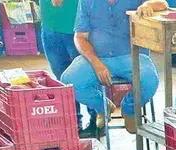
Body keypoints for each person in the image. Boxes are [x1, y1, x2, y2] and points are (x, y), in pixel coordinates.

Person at [61, 0, 166, 134]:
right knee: (69, 81)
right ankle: (103, 106)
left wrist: (147, 5)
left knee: (150, 80)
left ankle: (130, 109)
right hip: (98, 56)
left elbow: (163, 4)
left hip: (132, 55)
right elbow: (80, 37)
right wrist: (96, 63)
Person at [39, 0, 98, 137]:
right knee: (62, 79)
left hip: (79, 29)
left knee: (86, 75)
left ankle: (97, 119)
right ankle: (73, 121)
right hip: (50, 25)